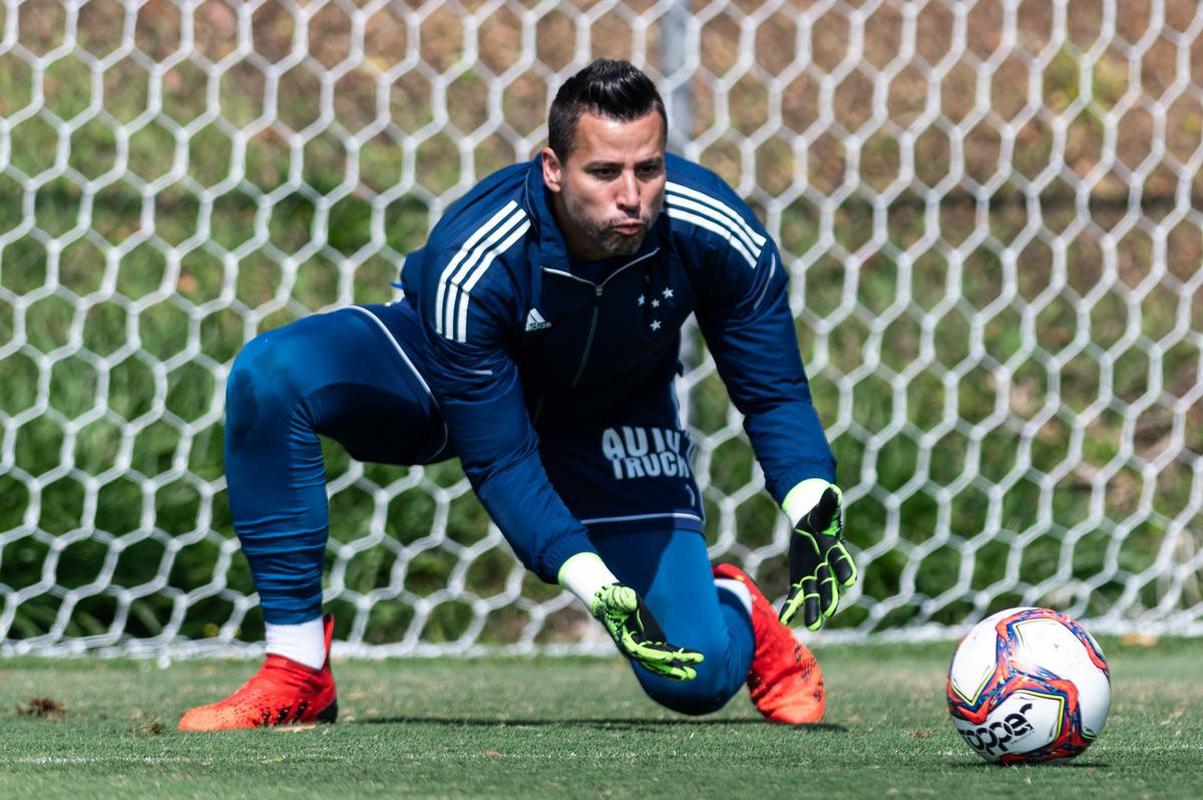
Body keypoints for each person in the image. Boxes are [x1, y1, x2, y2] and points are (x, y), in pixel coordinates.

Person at [178, 59, 856, 731]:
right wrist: (593, 583)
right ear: (552, 168)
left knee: (697, 677)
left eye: (647, 170)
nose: (631, 196)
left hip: (611, 414)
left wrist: (811, 503)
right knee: (271, 375)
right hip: (453, 380)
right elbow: (501, 460)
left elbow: (772, 392)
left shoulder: (715, 230)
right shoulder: (475, 253)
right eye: (603, 172)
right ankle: (297, 671)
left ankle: (735, 605)